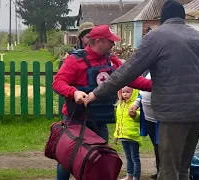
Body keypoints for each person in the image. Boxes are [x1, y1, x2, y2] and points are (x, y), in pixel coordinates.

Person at [83, 1, 199, 180]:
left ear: (162, 19)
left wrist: (97, 93)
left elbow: (128, 71)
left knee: (168, 172)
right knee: (183, 169)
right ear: (183, 17)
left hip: (172, 114)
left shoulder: (157, 37)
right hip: (197, 114)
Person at [52, 24, 152, 180]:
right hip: (76, 120)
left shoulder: (112, 61)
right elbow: (58, 83)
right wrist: (74, 92)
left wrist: (157, 86)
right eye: (110, 41)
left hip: (99, 120)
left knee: (99, 159)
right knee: (67, 159)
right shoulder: (74, 60)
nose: (113, 44)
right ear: (98, 41)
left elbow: (131, 78)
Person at [129, 71, 160, 179]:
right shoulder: (149, 71)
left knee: (164, 147)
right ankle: (160, 169)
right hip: (149, 118)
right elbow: (142, 91)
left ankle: (166, 171)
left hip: (162, 119)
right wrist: (136, 104)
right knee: (157, 146)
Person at [114, 86, 141, 180]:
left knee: (135, 158)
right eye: (123, 92)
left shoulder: (136, 104)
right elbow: (119, 121)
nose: (125, 94)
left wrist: (135, 115)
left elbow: (139, 118)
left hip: (133, 136)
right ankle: (129, 175)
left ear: (133, 93)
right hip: (123, 136)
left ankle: (136, 177)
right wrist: (116, 135)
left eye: (128, 92)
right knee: (128, 157)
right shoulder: (120, 105)